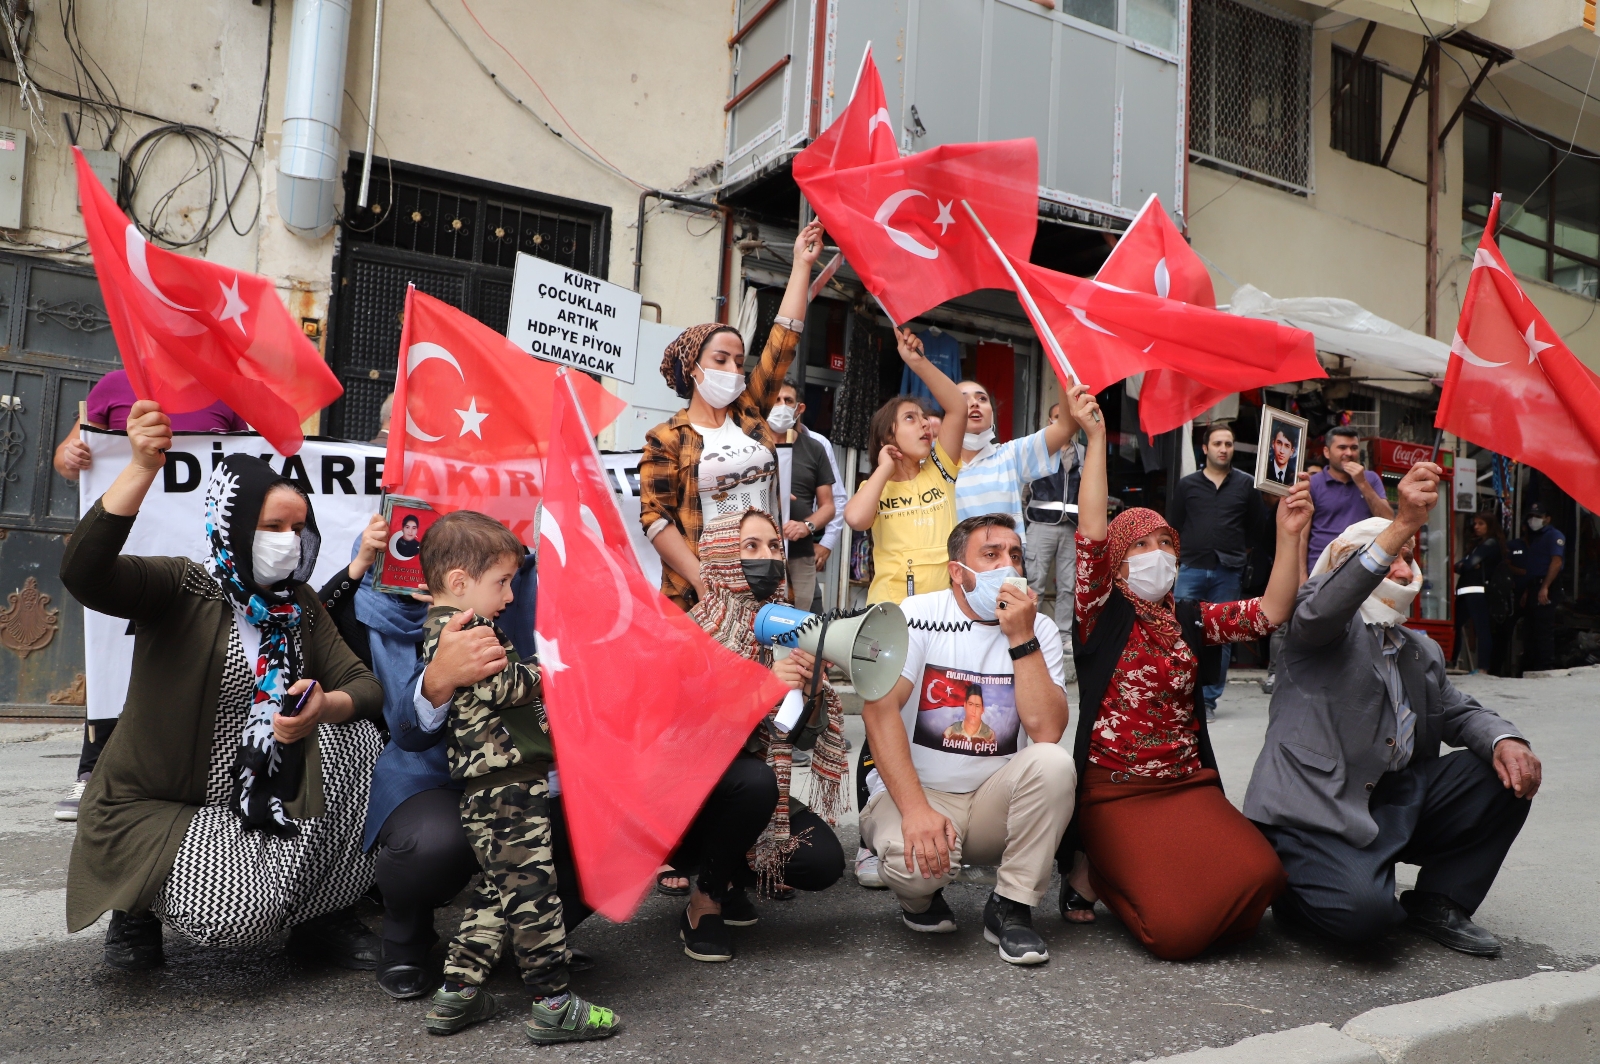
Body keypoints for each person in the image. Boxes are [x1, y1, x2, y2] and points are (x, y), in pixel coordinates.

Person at [60, 401, 383, 971]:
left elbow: (363, 685)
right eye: (272, 527)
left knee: (355, 736)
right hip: (162, 806)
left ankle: (321, 916)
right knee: (234, 917)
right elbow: (85, 573)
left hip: (253, 793)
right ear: (231, 524)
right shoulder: (182, 586)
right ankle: (136, 905)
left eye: (297, 528)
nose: (289, 541)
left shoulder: (299, 606)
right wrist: (141, 466)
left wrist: (326, 704)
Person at [1058, 384, 1305, 961]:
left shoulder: (1188, 617)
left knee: (1264, 877)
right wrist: (1096, 436)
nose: (1158, 553)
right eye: (1140, 545)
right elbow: (1091, 534)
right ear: (1117, 562)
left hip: (1184, 783)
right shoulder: (1100, 613)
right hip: (1116, 790)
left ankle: (1147, 873)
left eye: (1165, 542)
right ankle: (1092, 871)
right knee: (1177, 933)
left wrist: (1289, 535)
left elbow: (1269, 612)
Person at [1247, 476, 1541, 956]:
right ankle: (1298, 891)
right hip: (1316, 810)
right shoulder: (1314, 629)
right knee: (1366, 919)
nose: (1404, 572)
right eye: (1391, 558)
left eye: (1408, 558)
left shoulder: (1418, 648)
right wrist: (1402, 523)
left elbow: (1457, 710)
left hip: (1390, 799)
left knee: (1504, 772)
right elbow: (1324, 607)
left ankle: (1439, 900)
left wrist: (1506, 740)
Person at [412, 511, 620, 1044]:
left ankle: (457, 992)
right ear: (460, 582)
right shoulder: (467, 632)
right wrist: (555, 667)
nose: (509, 594)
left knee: (495, 896)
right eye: (501, 582)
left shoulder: (448, 627)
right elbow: (506, 688)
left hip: (492, 791)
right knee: (534, 900)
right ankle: (553, 1003)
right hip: (506, 789)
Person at [858, 512, 1074, 966]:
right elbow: (879, 711)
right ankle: (920, 901)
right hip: (921, 794)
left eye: (1015, 555)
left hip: (994, 802)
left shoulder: (1040, 629)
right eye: (991, 554)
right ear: (958, 572)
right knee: (914, 872)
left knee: (1054, 762)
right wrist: (915, 810)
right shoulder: (916, 614)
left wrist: (1021, 638)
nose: (1007, 566)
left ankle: (1012, 906)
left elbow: (1047, 731)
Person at [50, 369, 249, 823]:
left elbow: (250, 459)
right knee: (113, 652)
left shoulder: (225, 391)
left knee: (195, 650)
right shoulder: (114, 385)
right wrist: (72, 454)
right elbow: (66, 458)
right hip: (129, 540)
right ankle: (93, 770)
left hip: (198, 546)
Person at [674, 510, 848, 962]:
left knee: (822, 862)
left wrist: (810, 694)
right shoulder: (689, 634)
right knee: (753, 781)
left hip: (758, 793)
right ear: (720, 555)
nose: (767, 557)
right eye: (750, 546)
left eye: (774, 546)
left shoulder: (785, 628)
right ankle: (705, 899)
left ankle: (729, 874)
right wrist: (758, 691)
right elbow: (686, 737)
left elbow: (796, 738)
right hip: (689, 800)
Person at [640, 222, 824, 612]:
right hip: (701, 592)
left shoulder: (749, 414)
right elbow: (656, 519)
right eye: (720, 360)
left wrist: (801, 265)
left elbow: (783, 342)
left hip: (767, 581)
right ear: (692, 368)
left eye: (739, 362)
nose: (733, 370)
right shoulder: (666, 438)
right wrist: (703, 584)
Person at [842, 328, 968, 605]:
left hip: (942, 611)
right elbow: (856, 519)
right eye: (911, 418)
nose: (924, 423)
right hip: (890, 612)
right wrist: (884, 468)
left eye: (924, 418)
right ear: (888, 437)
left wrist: (918, 362)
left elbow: (958, 407)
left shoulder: (940, 469)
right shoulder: (875, 486)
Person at [1167, 424, 1268, 720]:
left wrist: (1238, 552)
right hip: (1192, 566)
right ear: (1205, 448)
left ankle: (1208, 701)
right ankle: (1181, 697)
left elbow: (1257, 528)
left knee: (1221, 635)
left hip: (1229, 570)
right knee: (1181, 632)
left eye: (1228, 443)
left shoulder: (1246, 485)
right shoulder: (1187, 485)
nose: (1223, 449)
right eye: (1217, 443)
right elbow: (1174, 525)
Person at [952, 378, 1077, 540]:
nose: (975, 403)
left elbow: (1065, 427)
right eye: (963, 399)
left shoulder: (1010, 455)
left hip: (1005, 556)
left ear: (992, 413)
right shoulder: (935, 463)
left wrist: (1062, 372)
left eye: (982, 398)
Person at [768, 381, 836, 611]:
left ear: (799, 408)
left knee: (799, 623)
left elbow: (828, 506)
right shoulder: (752, 445)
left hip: (800, 555)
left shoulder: (814, 449)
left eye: (788, 401)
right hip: (758, 552)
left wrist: (807, 526)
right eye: (776, 400)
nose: (781, 406)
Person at [1023, 402, 1083, 651]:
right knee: (1033, 583)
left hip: (1072, 528)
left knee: (1069, 585)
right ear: (1049, 421)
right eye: (1057, 417)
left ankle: (1063, 636)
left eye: (1066, 417)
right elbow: (1024, 489)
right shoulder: (1037, 450)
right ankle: (1029, 632)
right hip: (1040, 524)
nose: (1062, 421)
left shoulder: (1084, 453)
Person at [1307, 427, 1393, 571]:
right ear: (1327, 452)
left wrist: (1362, 483)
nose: (1349, 453)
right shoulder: (1313, 483)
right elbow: (1302, 536)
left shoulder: (1370, 479)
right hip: (1321, 566)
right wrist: (1302, 575)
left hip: (1363, 566)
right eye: (1342, 448)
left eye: (1354, 448)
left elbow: (1388, 519)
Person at [1513, 502, 1565, 672]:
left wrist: (1545, 587)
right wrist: (1529, 590)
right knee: (1530, 627)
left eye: (1538, 516)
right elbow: (1534, 567)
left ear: (1547, 519)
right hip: (1534, 586)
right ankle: (1530, 666)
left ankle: (1545, 666)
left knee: (1543, 628)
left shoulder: (1554, 535)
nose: (1533, 520)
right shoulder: (1536, 538)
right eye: (1531, 516)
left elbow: (1556, 563)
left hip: (1547, 585)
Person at [1454, 513, 1502, 674]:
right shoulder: (1477, 544)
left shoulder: (1490, 543)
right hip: (1465, 592)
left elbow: (1468, 564)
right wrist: (1466, 565)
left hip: (1478, 592)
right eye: (1475, 523)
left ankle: (1483, 668)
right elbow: (1459, 565)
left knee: (1482, 629)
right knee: (1455, 627)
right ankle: (1452, 661)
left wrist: (1467, 565)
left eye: (1481, 524)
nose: (1476, 527)